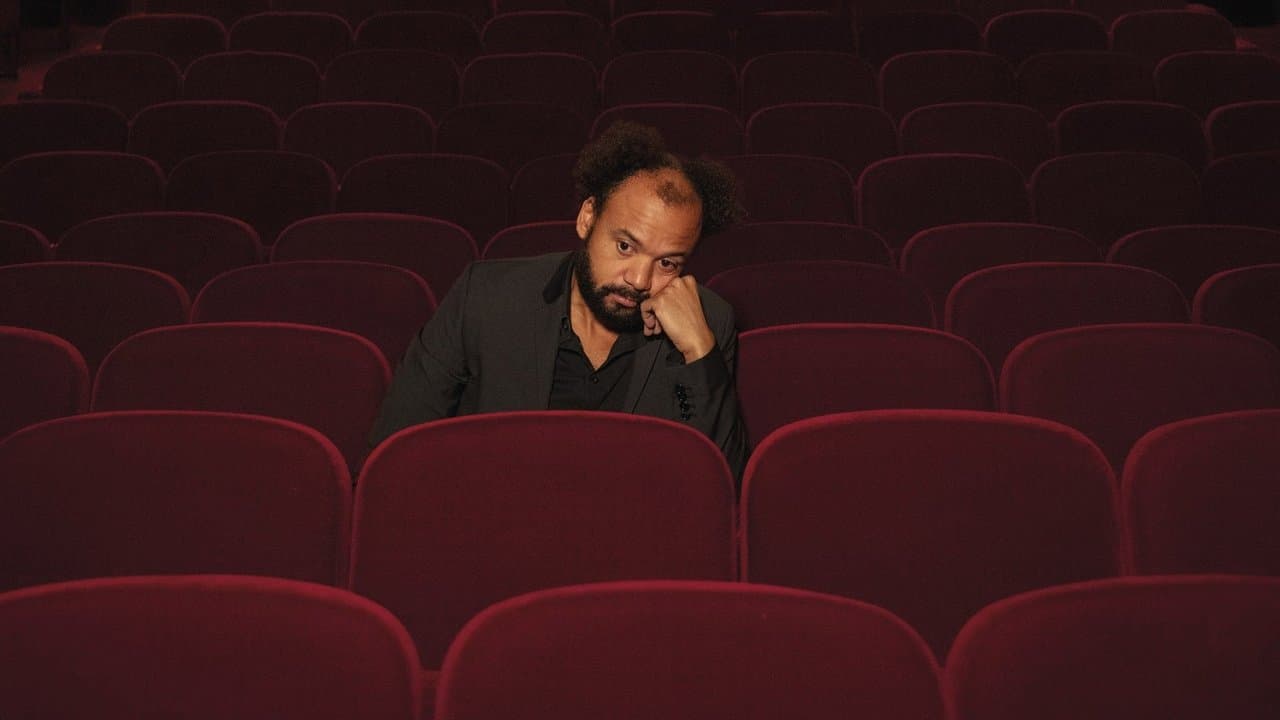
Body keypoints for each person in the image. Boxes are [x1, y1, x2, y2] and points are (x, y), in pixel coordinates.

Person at [368, 121, 748, 477]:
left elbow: (719, 482)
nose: (639, 280)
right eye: (625, 246)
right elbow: (394, 452)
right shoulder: (486, 298)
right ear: (587, 218)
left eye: (667, 263)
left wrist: (699, 352)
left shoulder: (707, 324)